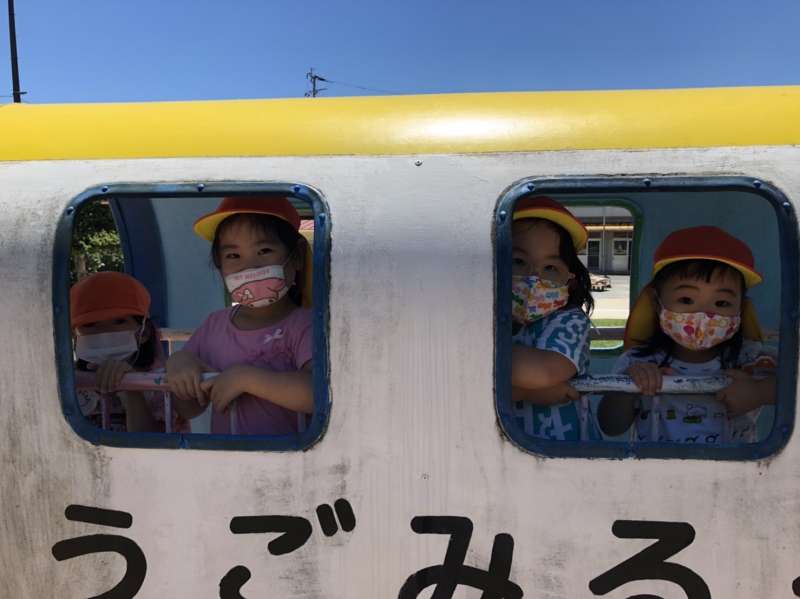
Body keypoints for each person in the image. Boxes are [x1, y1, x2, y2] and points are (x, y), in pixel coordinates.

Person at [597, 226, 777, 444]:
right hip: (656, 467)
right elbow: (610, 427)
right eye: (686, 300)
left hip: (739, 468)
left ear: (742, 307)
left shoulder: (753, 359)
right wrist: (629, 385)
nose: (703, 315)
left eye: (721, 303)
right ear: (656, 302)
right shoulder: (637, 360)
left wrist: (760, 392)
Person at [166, 197, 313, 435]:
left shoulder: (307, 324)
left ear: (296, 257)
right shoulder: (213, 324)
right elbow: (189, 409)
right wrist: (178, 363)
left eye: (264, 251)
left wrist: (245, 379)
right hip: (228, 459)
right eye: (234, 255)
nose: (249, 266)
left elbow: (317, 394)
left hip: (293, 459)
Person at [510, 196, 598, 440]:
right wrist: (524, 392)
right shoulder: (480, 320)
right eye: (517, 261)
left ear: (570, 282)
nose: (533, 280)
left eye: (550, 268)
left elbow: (544, 372)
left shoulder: (570, 320)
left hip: (571, 456)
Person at [71, 271, 192, 433]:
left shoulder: (164, 381)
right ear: (74, 336)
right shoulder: (65, 380)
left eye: (119, 321)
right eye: (90, 324)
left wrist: (130, 386)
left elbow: (149, 443)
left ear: (145, 332)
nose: (106, 332)